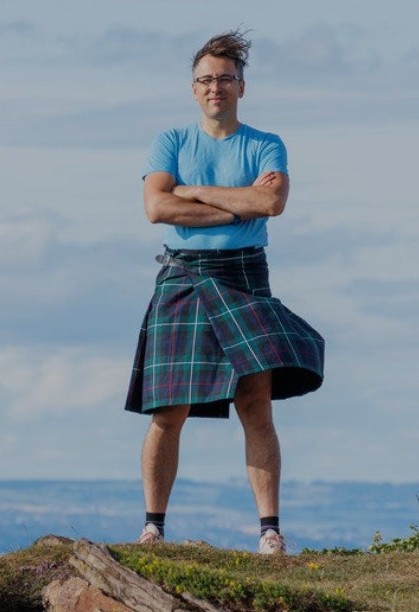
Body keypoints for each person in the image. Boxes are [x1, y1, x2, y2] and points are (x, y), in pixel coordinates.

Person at [127, 30, 325, 555]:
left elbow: (272, 203)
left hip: (244, 274)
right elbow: (156, 208)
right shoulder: (170, 141)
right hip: (183, 273)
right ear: (193, 89)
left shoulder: (265, 143)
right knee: (168, 409)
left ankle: (269, 531)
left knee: (256, 404)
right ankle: (152, 528)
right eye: (206, 80)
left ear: (242, 86)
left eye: (225, 79)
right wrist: (237, 207)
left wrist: (193, 192)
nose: (215, 87)